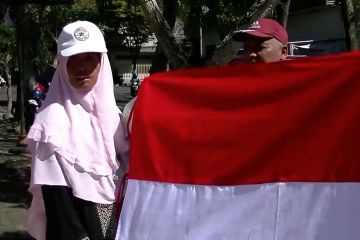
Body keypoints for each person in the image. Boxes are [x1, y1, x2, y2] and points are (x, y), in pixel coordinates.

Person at [26, 21, 129, 240]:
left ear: (102, 62)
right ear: (62, 64)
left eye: (89, 58)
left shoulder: (114, 116)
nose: (81, 67)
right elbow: (58, 203)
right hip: (78, 226)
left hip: (114, 219)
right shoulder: (51, 124)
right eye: (73, 59)